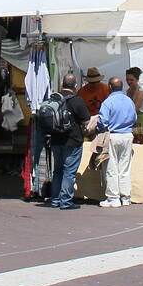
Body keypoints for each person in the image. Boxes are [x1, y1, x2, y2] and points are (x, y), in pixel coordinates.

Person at [45, 74, 92, 210]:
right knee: (69, 172)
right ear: (75, 86)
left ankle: (55, 200)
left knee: (58, 170)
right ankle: (65, 201)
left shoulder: (53, 99)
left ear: (62, 84)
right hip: (72, 141)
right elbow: (86, 121)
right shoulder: (77, 100)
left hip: (55, 140)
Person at [96, 77, 137, 207]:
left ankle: (113, 197)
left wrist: (98, 129)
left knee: (111, 167)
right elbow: (134, 117)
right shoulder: (129, 101)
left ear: (109, 87)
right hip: (127, 135)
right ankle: (125, 197)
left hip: (113, 135)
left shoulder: (108, 102)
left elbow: (103, 121)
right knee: (125, 167)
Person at [125, 66, 143, 138]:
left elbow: (135, 109)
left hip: (142, 121)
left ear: (137, 79)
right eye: (127, 80)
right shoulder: (128, 91)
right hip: (133, 121)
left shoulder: (141, 92)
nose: (129, 82)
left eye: (131, 80)